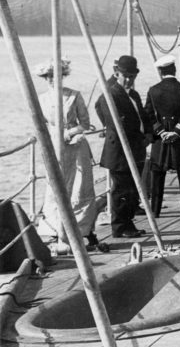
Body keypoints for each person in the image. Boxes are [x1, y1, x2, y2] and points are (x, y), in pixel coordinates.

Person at [34, 59, 106, 251]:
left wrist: (70, 132)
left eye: (55, 76)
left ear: (62, 76)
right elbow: (40, 125)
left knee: (80, 187)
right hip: (54, 147)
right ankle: (54, 231)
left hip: (74, 145)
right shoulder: (41, 99)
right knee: (54, 186)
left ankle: (82, 230)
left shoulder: (74, 96)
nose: (51, 79)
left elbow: (85, 123)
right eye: (48, 76)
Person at [95, 55, 151, 239]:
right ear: (116, 74)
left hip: (136, 149)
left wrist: (149, 134)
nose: (128, 80)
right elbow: (116, 124)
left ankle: (128, 223)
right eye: (125, 76)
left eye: (132, 77)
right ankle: (120, 227)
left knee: (131, 189)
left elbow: (142, 117)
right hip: (120, 152)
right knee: (121, 190)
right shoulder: (110, 95)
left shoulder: (133, 95)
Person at [144, 55, 180, 218]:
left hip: (160, 140)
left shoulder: (153, 90)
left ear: (160, 71)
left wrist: (161, 131)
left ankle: (155, 211)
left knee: (157, 175)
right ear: (174, 69)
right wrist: (177, 131)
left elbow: (148, 114)